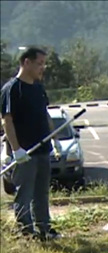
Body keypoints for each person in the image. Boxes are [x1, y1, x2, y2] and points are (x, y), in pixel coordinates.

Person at [1, 46, 63, 241]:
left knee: (41, 193)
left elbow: (45, 115)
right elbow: (7, 120)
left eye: (43, 64)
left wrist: (55, 140)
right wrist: (16, 149)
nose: (42, 68)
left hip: (43, 150)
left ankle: (44, 229)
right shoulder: (12, 89)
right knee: (25, 194)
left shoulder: (38, 87)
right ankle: (27, 232)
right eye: (39, 63)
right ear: (26, 62)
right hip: (25, 152)